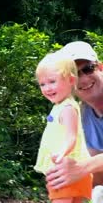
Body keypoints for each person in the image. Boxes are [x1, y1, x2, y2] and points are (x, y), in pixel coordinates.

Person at [34, 51, 92, 202]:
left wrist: (60, 154)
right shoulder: (61, 106)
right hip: (73, 169)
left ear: (71, 80)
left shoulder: (67, 108)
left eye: (52, 81)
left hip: (65, 169)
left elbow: (71, 137)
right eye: (42, 84)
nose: (47, 88)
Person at [46, 41, 103, 189]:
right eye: (75, 74)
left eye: (89, 69)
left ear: (101, 68)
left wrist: (84, 167)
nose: (83, 79)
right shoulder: (80, 116)